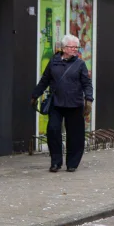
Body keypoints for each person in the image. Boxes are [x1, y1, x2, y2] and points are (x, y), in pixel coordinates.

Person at [31, 34, 93, 172]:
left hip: (75, 104)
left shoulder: (80, 64)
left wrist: (89, 99)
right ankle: (56, 162)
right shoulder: (53, 62)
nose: (75, 49)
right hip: (56, 104)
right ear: (64, 48)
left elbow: (87, 83)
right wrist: (35, 95)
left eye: (76, 47)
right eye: (72, 47)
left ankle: (72, 163)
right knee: (53, 131)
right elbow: (44, 80)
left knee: (75, 135)